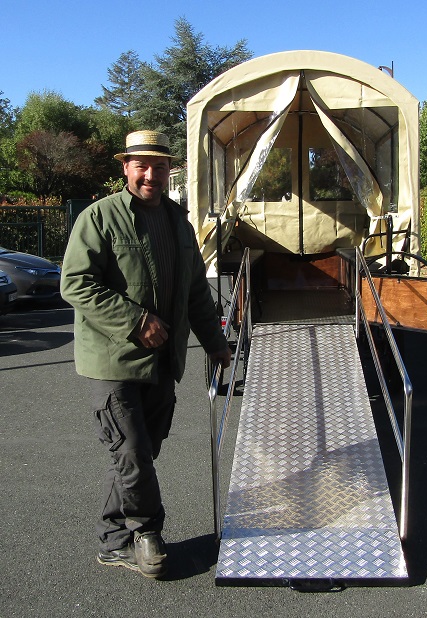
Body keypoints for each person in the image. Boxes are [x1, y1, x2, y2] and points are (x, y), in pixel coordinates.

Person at [61, 130, 231, 579]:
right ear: (125, 167)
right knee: (132, 452)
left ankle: (113, 540)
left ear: (168, 170)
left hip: (162, 361)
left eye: (159, 166)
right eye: (141, 164)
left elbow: (196, 290)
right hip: (111, 359)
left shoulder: (179, 222)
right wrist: (136, 321)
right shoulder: (99, 218)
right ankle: (147, 533)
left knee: (138, 454)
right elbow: (75, 283)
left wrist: (215, 344)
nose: (150, 173)